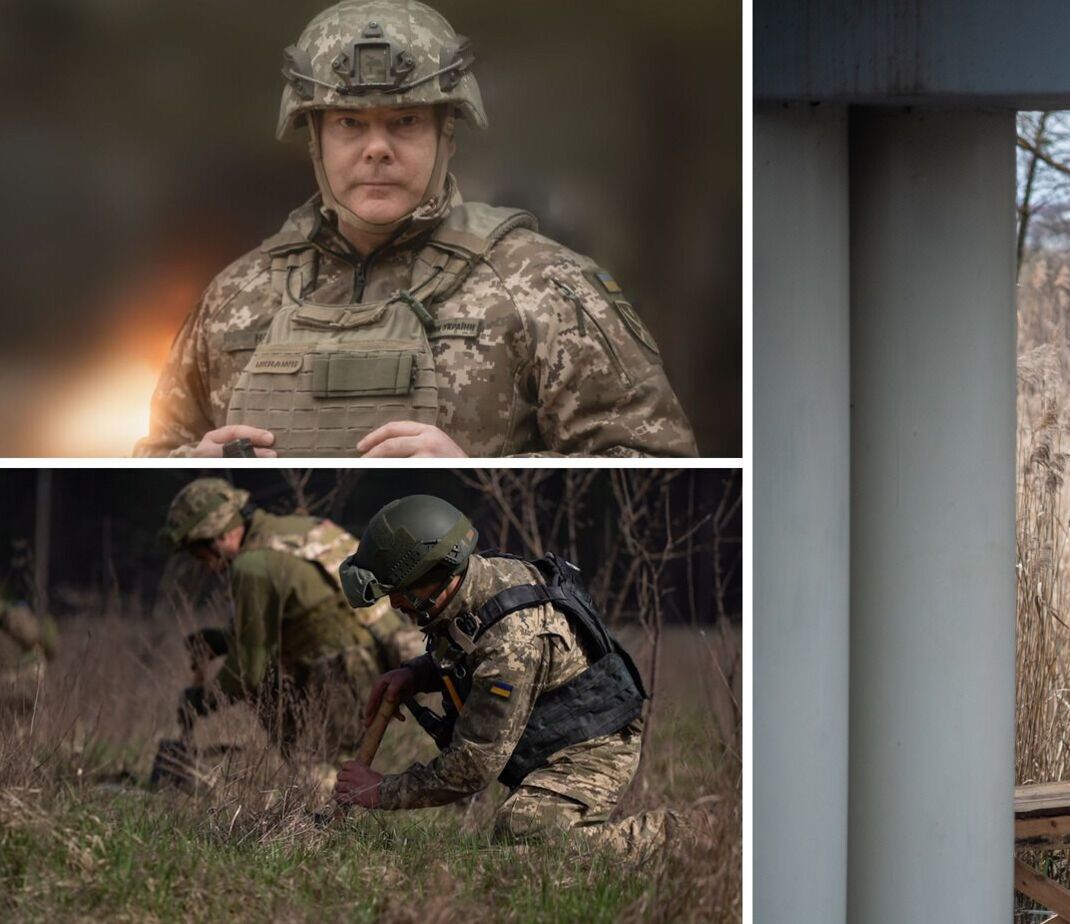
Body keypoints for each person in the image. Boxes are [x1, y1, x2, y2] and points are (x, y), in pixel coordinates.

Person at [136, 0, 695, 458]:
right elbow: (153, 457)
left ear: (446, 134)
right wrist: (190, 467)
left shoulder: (544, 288)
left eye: (404, 122)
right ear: (315, 139)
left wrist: (476, 475)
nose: (377, 149)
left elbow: (658, 466)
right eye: (350, 124)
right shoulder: (234, 296)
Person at [331, 495, 667, 853]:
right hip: (551, 736)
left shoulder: (512, 641)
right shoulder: (473, 581)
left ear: (436, 575)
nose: (395, 604)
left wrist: (380, 791)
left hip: (594, 745)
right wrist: (415, 674)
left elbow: (473, 764)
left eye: (399, 592)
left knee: (527, 831)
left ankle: (678, 836)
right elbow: (467, 649)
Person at [159, 478, 408, 763]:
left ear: (217, 536)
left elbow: (249, 672)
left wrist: (202, 701)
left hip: (345, 675)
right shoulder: (303, 529)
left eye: (197, 552)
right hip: (386, 662)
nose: (203, 563)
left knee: (320, 776)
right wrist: (225, 641)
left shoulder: (252, 565)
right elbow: (304, 619)